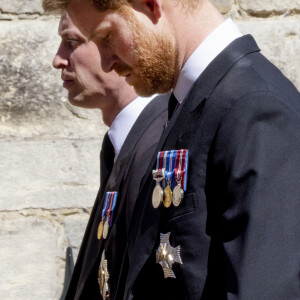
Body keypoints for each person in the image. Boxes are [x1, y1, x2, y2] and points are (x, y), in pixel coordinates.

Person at [43, 0, 300, 299]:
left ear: (150, 5)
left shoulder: (256, 108)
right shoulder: (193, 106)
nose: (109, 61)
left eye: (107, 37)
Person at [48, 8, 169, 300]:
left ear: (117, 41)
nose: (58, 60)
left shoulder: (158, 147)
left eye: (73, 42)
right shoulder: (126, 143)